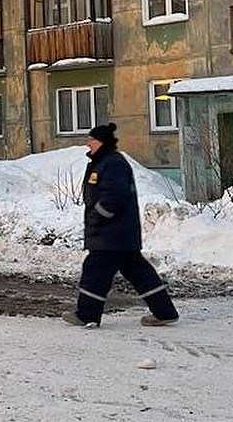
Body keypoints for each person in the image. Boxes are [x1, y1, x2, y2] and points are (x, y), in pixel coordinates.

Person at [62, 122, 179, 329]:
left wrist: (98, 216)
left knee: (95, 272)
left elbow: (115, 196)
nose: (87, 143)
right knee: (139, 272)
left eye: (91, 140)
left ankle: (86, 314)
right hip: (120, 234)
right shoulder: (104, 161)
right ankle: (165, 312)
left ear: (101, 142)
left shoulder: (112, 163)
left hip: (110, 234)